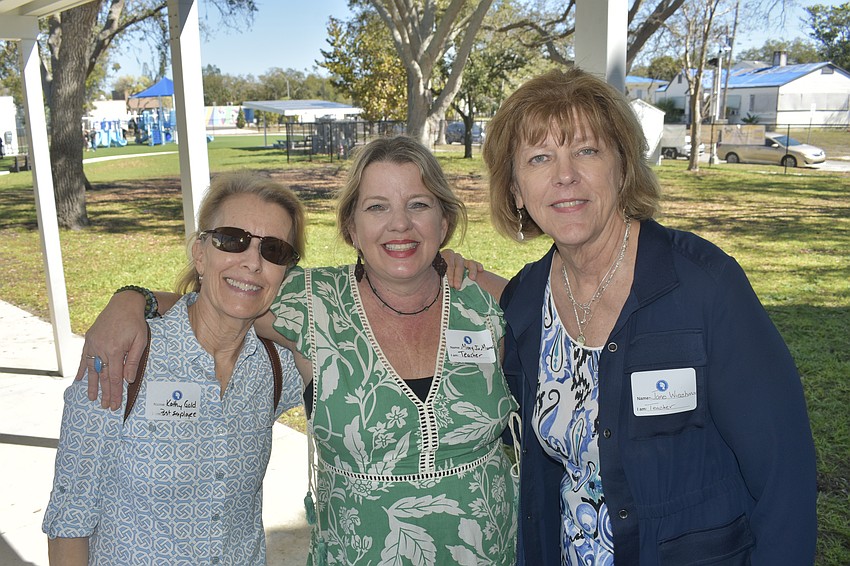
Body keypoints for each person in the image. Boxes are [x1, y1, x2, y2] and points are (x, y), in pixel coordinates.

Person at [77, 136, 519, 565]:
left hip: (491, 550)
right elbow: (224, 298)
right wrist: (132, 300)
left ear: (444, 222)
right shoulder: (312, 302)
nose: (399, 224)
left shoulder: (486, 301)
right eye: (377, 207)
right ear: (351, 228)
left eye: (418, 204)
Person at [479, 68, 817, 564]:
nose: (564, 175)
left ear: (623, 166)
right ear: (515, 189)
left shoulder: (704, 285)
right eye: (539, 158)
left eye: (586, 151)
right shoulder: (528, 300)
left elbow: (784, 471)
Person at [43, 172, 307, 565]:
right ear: (200, 253)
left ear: (285, 272)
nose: (253, 262)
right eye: (232, 240)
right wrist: (130, 299)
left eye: (274, 250)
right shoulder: (122, 356)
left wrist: (135, 296)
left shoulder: (275, 367)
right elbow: (70, 519)